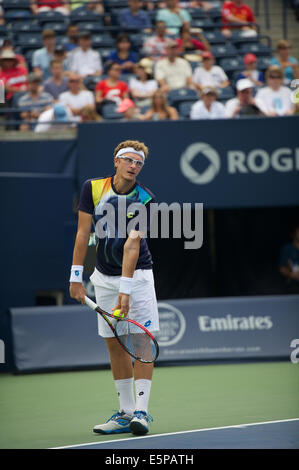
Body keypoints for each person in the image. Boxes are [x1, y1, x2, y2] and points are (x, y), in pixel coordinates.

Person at [69, 139, 159, 436]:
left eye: (139, 163)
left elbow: (133, 245)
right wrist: (75, 277)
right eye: (129, 160)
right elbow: (83, 233)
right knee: (114, 341)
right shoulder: (92, 188)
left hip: (138, 277)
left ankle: (142, 413)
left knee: (141, 341)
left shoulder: (146, 198)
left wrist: (126, 288)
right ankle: (126, 413)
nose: (134, 166)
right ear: (116, 161)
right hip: (103, 277)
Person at [279, 221, 299, 294]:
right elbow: (282, 268)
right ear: (293, 234)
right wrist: (292, 275)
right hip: (292, 285)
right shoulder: (287, 249)